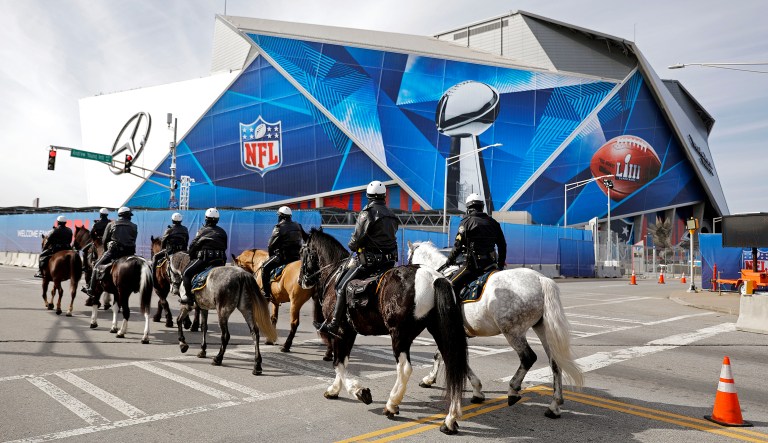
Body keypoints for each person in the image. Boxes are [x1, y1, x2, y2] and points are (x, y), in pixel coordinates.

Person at [317, 181, 400, 337]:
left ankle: (334, 324)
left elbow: (355, 241)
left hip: (369, 263)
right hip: (388, 263)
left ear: (369, 196)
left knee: (341, 286)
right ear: (383, 196)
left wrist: (353, 245)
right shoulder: (392, 215)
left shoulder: (366, 213)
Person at [440, 193, 506, 296]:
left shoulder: (466, 223)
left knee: (448, 288)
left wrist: (449, 260)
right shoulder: (494, 223)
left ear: (468, 208)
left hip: (472, 267)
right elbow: (502, 246)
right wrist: (500, 266)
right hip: (491, 265)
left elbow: (457, 246)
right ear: (482, 207)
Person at [85, 207, 138, 307]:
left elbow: (105, 240)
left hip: (114, 251)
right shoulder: (134, 226)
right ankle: (136, 286)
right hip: (129, 252)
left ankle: (91, 289)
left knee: (96, 266)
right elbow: (133, 239)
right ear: (127, 216)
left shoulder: (111, 224)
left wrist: (106, 251)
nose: (130, 218)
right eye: (129, 216)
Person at [180, 208, 227, 305]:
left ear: (206, 219)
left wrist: (192, 257)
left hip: (205, 260)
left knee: (186, 273)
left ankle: (189, 298)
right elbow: (225, 246)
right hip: (220, 261)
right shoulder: (222, 232)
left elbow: (193, 247)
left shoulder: (202, 231)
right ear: (217, 220)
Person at [261, 206, 307, 301]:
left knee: (264, 268)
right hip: (297, 257)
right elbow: (306, 238)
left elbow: (270, 246)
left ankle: (266, 294)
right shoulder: (298, 225)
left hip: (283, 258)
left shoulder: (278, 227)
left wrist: (271, 256)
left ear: (281, 216)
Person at [151, 212, 189, 288]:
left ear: (172, 220)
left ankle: (154, 282)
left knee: (155, 257)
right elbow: (186, 240)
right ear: (181, 221)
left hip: (171, 251)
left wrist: (163, 249)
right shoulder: (185, 229)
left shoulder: (169, 230)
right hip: (183, 251)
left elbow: (163, 242)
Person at [81, 208, 110, 293]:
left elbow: (91, 234)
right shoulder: (110, 223)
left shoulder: (96, 224)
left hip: (97, 242)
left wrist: (95, 240)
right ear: (107, 215)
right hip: (108, 243)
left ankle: (85, 267)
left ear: (100, 215)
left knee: (84, 251)